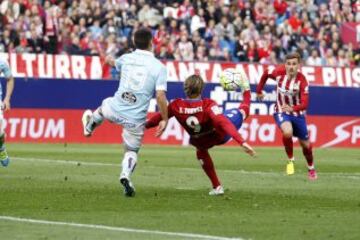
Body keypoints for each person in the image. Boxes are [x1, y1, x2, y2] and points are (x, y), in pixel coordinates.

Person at [82, 28, 168, 197]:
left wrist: (108, 60)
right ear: (151, 43)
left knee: (103, 107)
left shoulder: (126, 58)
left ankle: (89, 127)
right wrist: (164, 119)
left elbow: (115, 63)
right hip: (135, 120)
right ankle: (125, 175)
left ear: (134, 43)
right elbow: (160, 96)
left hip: (114, 109)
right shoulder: (159, 67)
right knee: (131, 151)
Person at [146, 74, 256, 196]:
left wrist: (141, 126)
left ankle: (217, 187)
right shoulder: (208, 105)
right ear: (202, 89)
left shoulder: (175, 105)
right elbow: (222, 122)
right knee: (242, 111)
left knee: (201, 151)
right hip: (219, 136)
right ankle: (246, 89)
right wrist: (242, 141)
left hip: (200, 141)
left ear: (185, 88)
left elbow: (157, 119)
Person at [256, 52, 317, 180]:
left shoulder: (302, 80)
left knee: (306, 145)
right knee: (287, 132)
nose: (291, 67)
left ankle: (311, 168)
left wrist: (293, 108)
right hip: (281, 111)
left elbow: (305, 104)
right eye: (288, 64)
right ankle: (290, 160)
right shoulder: (279, 72)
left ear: (298, 65)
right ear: (285, 64)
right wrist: (259, 91)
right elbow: (266, 73)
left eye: (294, 64)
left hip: (297, 114)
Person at [0, 58, 15, 167]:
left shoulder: (2, 62)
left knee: (0, 132)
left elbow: (9, 79)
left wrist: (7, 99)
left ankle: (1, 148)